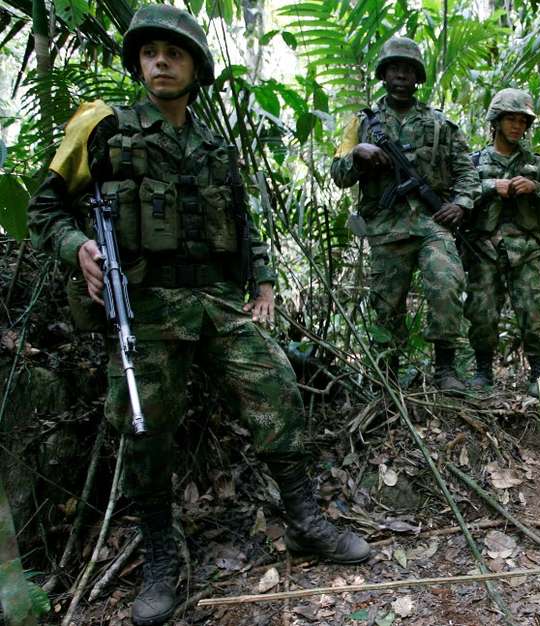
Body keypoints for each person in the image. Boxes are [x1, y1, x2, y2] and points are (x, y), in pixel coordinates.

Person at [26, 5, 369, 625]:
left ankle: (305, 522)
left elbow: (241, 224)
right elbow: (45, 208)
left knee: (278, 387)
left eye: (175, 53)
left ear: (194, 68)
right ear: (138, 62)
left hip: (214, 300)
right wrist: (76, 246)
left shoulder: (214, 143)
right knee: (144, 424)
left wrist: (261, 281)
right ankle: (162, 554)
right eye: (151, 52)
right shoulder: (102, 127)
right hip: (147, 305)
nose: (161, 61)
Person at [330, 37, 480, 393]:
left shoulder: (440, 123)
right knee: (385, 304)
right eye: (394, 68)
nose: (401, 75)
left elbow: (467, 172)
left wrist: (460, 203)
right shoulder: (361, 124)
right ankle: (387, 375)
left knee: (446, 283)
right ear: (384, 74)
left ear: (418, 76)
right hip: (385, 226)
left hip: (432, 222)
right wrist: (359, 154)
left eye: (408, 69)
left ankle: (445, 370)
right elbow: (338, 174)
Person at [463, 88, 540, 397]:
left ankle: (538, 374)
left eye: (523, 121)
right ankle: (483, 372)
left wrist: (536, 187)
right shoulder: (473, 163)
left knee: (533, 312)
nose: (517, 127)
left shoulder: (537, 165)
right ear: (496, 121)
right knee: (482, 313)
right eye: (510, 119)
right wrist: (489, 187)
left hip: (526, 252)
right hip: (483, 251)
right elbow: (456, 199)